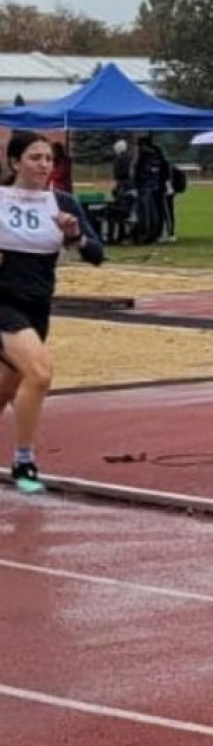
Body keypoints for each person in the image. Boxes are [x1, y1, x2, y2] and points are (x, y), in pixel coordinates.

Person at [0, 132, 104, 494]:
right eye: (35, 158)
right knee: (40, 372)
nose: (44, 165)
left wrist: (75, 237)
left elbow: (97, 254)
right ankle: (24, 461)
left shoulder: (61, 203)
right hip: (2, 302)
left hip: (37, 305)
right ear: (15, 162)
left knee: (7, 386)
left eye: (48, 158)